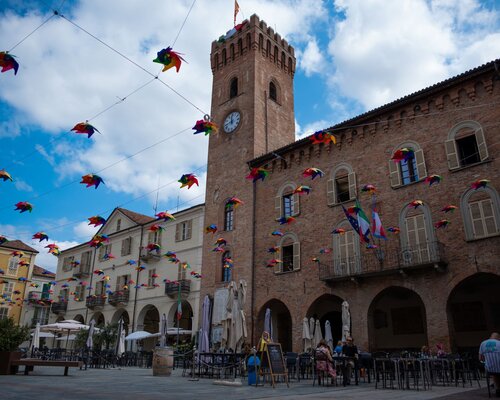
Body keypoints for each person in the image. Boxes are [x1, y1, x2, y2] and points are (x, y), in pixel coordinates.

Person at [479, 332, 500, 397]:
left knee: (494, 372)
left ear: (490, 337)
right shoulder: (499, 343)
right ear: (498, 338)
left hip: (489, 369)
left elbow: (480, 359)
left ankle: (498, 389)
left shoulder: (483, 343)